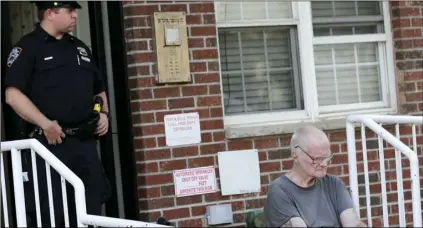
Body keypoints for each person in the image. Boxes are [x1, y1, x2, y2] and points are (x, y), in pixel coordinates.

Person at [4, 1, 111, 227]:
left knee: (92, 210)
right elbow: (13, 96)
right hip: (49, 145)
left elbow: (99, 89)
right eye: (69, 11)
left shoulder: (80, 47)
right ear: (51, 13)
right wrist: (45, 124)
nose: (75, 16)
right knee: (53, 214)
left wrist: (103, 115)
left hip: (84, 144)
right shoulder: (28, 47)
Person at [263, 125, 366, 227]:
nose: (324, 164)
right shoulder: (279, 190)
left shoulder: (334, 184)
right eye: (316, 159)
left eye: (327, 157)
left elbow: (353, 223)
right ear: (295, 157)